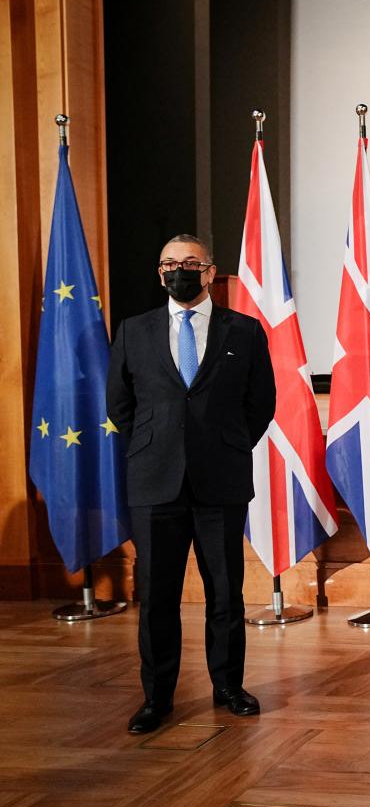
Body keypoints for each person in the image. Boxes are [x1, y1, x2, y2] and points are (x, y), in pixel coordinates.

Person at [106, 234, 276, 734]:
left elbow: (260, 402)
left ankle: (228, 687)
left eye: (190, 263)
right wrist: (157, 444)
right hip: (154, 482)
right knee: (158, 596)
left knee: (225, 592)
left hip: (220, 481)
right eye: (169, 264)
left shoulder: (243, 330)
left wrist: (224, 445)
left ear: (209, 271)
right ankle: (157, 697)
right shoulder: (133, 331)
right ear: (160, 274)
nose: (179, 270)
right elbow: (120, 405)